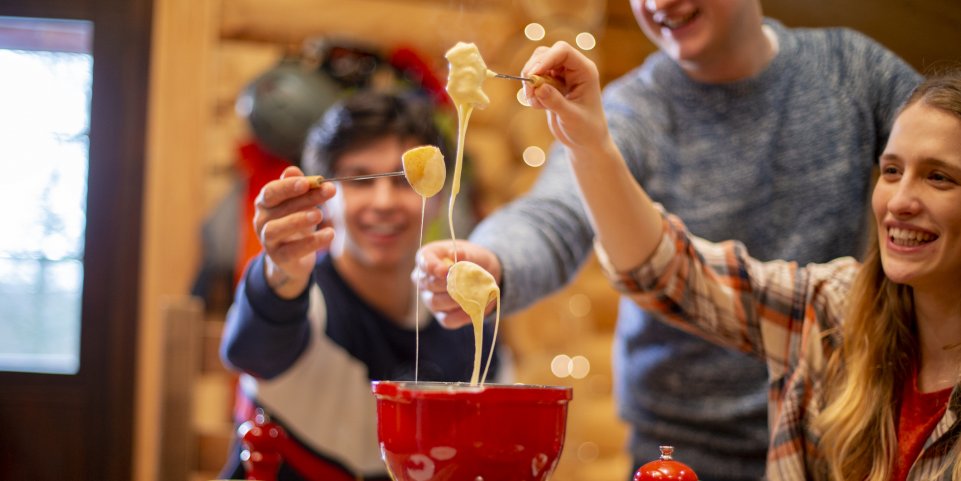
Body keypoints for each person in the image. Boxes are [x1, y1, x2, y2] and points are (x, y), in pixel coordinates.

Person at [415, 2, 920, 479]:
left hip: (835, 433)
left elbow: (943, 146)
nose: (660, 3)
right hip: (675, 447)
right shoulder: (634, 108)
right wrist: (490, 258)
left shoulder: (851, 70)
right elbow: (556, 212)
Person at [517, 44, 961, 481]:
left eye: (938, 177)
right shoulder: (835, 310)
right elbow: (671, 272)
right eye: (891, 171)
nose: (900, 201)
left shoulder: (848, 64)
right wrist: (589, 142)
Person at [218, 90, 502, 481]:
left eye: (407, 182)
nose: (383, 201)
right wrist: (280, 272)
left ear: (438, 197)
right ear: (326, 197)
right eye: (360, 180)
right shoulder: (302, 296)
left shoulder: (467, 324)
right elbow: (251, 351)